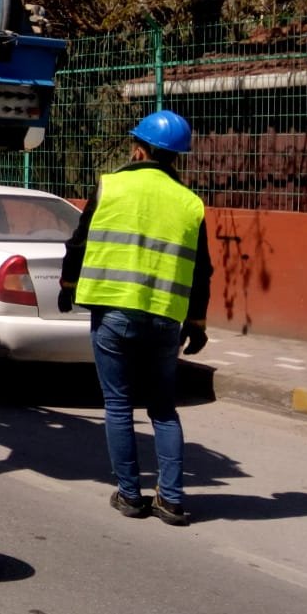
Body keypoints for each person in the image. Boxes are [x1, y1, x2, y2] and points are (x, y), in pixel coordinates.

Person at [60, 109, 212, 527]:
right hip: (165, 318)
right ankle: (173, 501)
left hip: (113, 312)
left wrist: (67, 287)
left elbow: (79, 242)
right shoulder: (190, 202)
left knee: (119, 405)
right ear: (176, 157)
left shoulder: (112, 186)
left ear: (138, 147)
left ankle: (130, 495)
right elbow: (202, 268)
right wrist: (196, 322)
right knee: (164, 409)